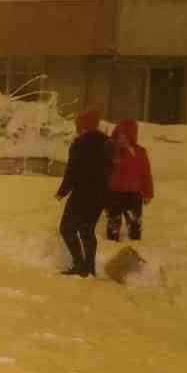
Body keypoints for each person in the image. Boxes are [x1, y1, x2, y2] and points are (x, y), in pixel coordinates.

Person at [56, 110, 112, 277]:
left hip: (81, 193)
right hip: (100, 194)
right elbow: (111, 170)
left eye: (78, 123)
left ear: (82, 125)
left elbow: (72, 170)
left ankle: (79, 265)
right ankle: (90, 268)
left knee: (67, 228)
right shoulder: (107, 143)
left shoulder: (79, 143)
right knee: (87, 230)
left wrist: (63, 191)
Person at [106, 119, 154, 242]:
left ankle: (135, 243)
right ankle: (111, 244)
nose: (122, 140)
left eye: (125, 137)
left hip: (133, 195)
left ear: (132, 138)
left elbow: (146, 174)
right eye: (119, 137)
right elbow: (104, 172)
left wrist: (148, 193)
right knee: (113, 222)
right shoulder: (112, 152)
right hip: (114, 193)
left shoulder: (139, 153)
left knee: (134, 224)